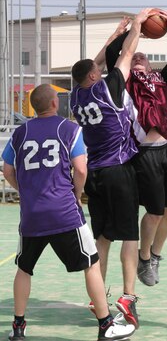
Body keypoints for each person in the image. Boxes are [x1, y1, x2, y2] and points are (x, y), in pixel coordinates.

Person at [1, 84, 135, 341]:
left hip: (32, 215)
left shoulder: (21, 132)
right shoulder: (69, 129)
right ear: (54, 103)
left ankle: (18, 327)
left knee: (24, 269)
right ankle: (106, 325)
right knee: (92, 265)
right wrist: (76, 193)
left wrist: (25, 191)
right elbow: (81, 170)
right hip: (64, 211)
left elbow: (7, 171)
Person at [70, 8, 153, 328]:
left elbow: (94, 63)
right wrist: (137, 25)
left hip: (94, 175)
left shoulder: (77, 95)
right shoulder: (109, 88)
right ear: (94, 76)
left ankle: (97, 297)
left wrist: (116, 32)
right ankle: (127, 295)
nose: (99, 69)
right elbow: (127, 54)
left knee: (102, 237)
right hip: (119, 170)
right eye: (96, 70)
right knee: (129, 236)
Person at [105, 9, 167, 287]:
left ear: (151, 65)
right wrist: (135, 29)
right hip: (144, 153)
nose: (138, 57)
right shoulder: (124, 82)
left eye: (143, 57)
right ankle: (142, 256)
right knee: (154, 212)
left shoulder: (162, 79)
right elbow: (115, 53)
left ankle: (154, 256)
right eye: (135, 56)